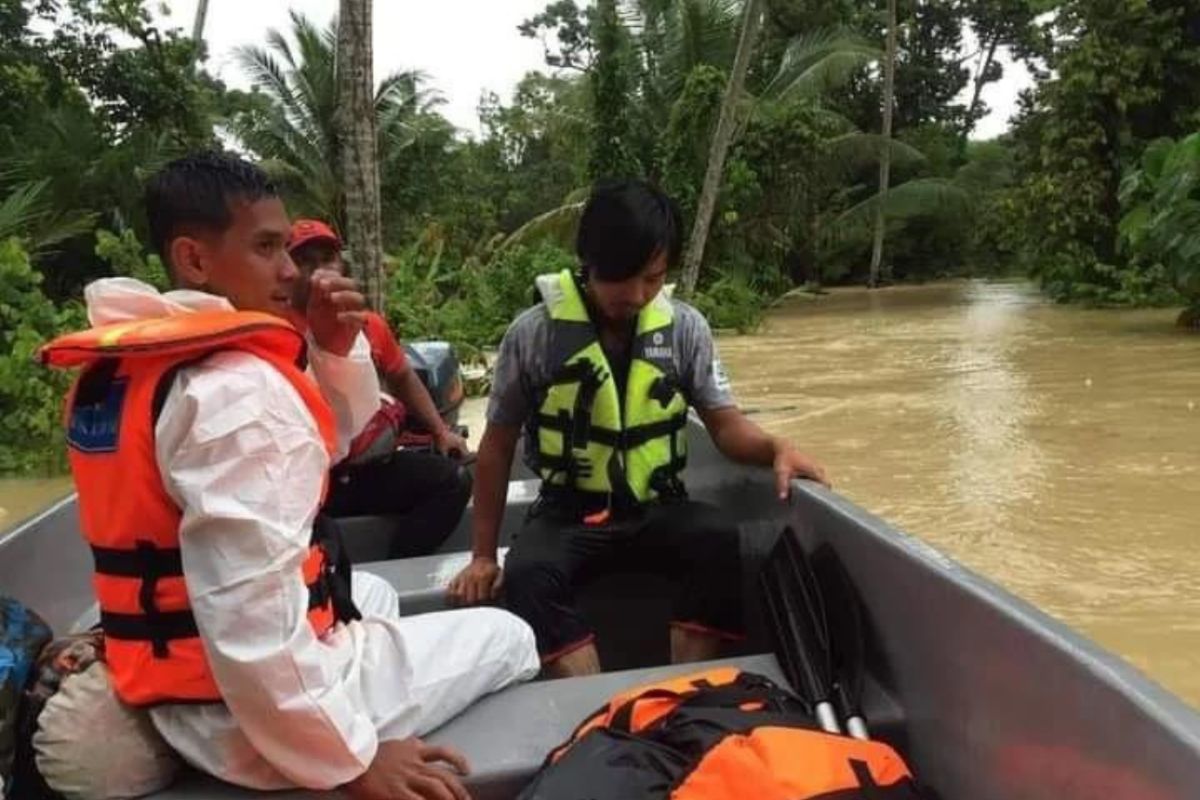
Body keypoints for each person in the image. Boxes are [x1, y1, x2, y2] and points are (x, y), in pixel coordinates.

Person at [40, 152, 538, 799]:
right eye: (268, 247)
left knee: (376, 598)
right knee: (510, 635)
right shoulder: (235, 392)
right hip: (237, 715)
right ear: (195, 258)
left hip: (167, 672)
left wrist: (329, 350)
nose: (288, 270)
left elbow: (307, 455)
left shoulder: (132, 367)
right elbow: (249, 623)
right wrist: (353, 759)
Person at [448, 180, 829, 678]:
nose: (634, 295)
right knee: (528, 573)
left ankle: (686, 692)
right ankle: (597, 708)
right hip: (568, 514)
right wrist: (481, 557)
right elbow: (496, 448)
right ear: (588, 261)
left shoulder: (685, 328)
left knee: (717, 538)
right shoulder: (533, 334)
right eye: (619, 277)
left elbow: (725, 426)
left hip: (657, 508)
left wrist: (777, 446)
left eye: (651, 279)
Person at [288, 219, 472, 557]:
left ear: (341, 264)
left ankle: (399, 565)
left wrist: (440, 431)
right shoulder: (276, 332)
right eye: (305, 261)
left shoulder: (369, 325)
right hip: (311, 482)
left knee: (453, 480)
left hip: (370, 470)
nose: (319, 271)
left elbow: (402, 375)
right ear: (287, 270)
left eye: (327, 258)